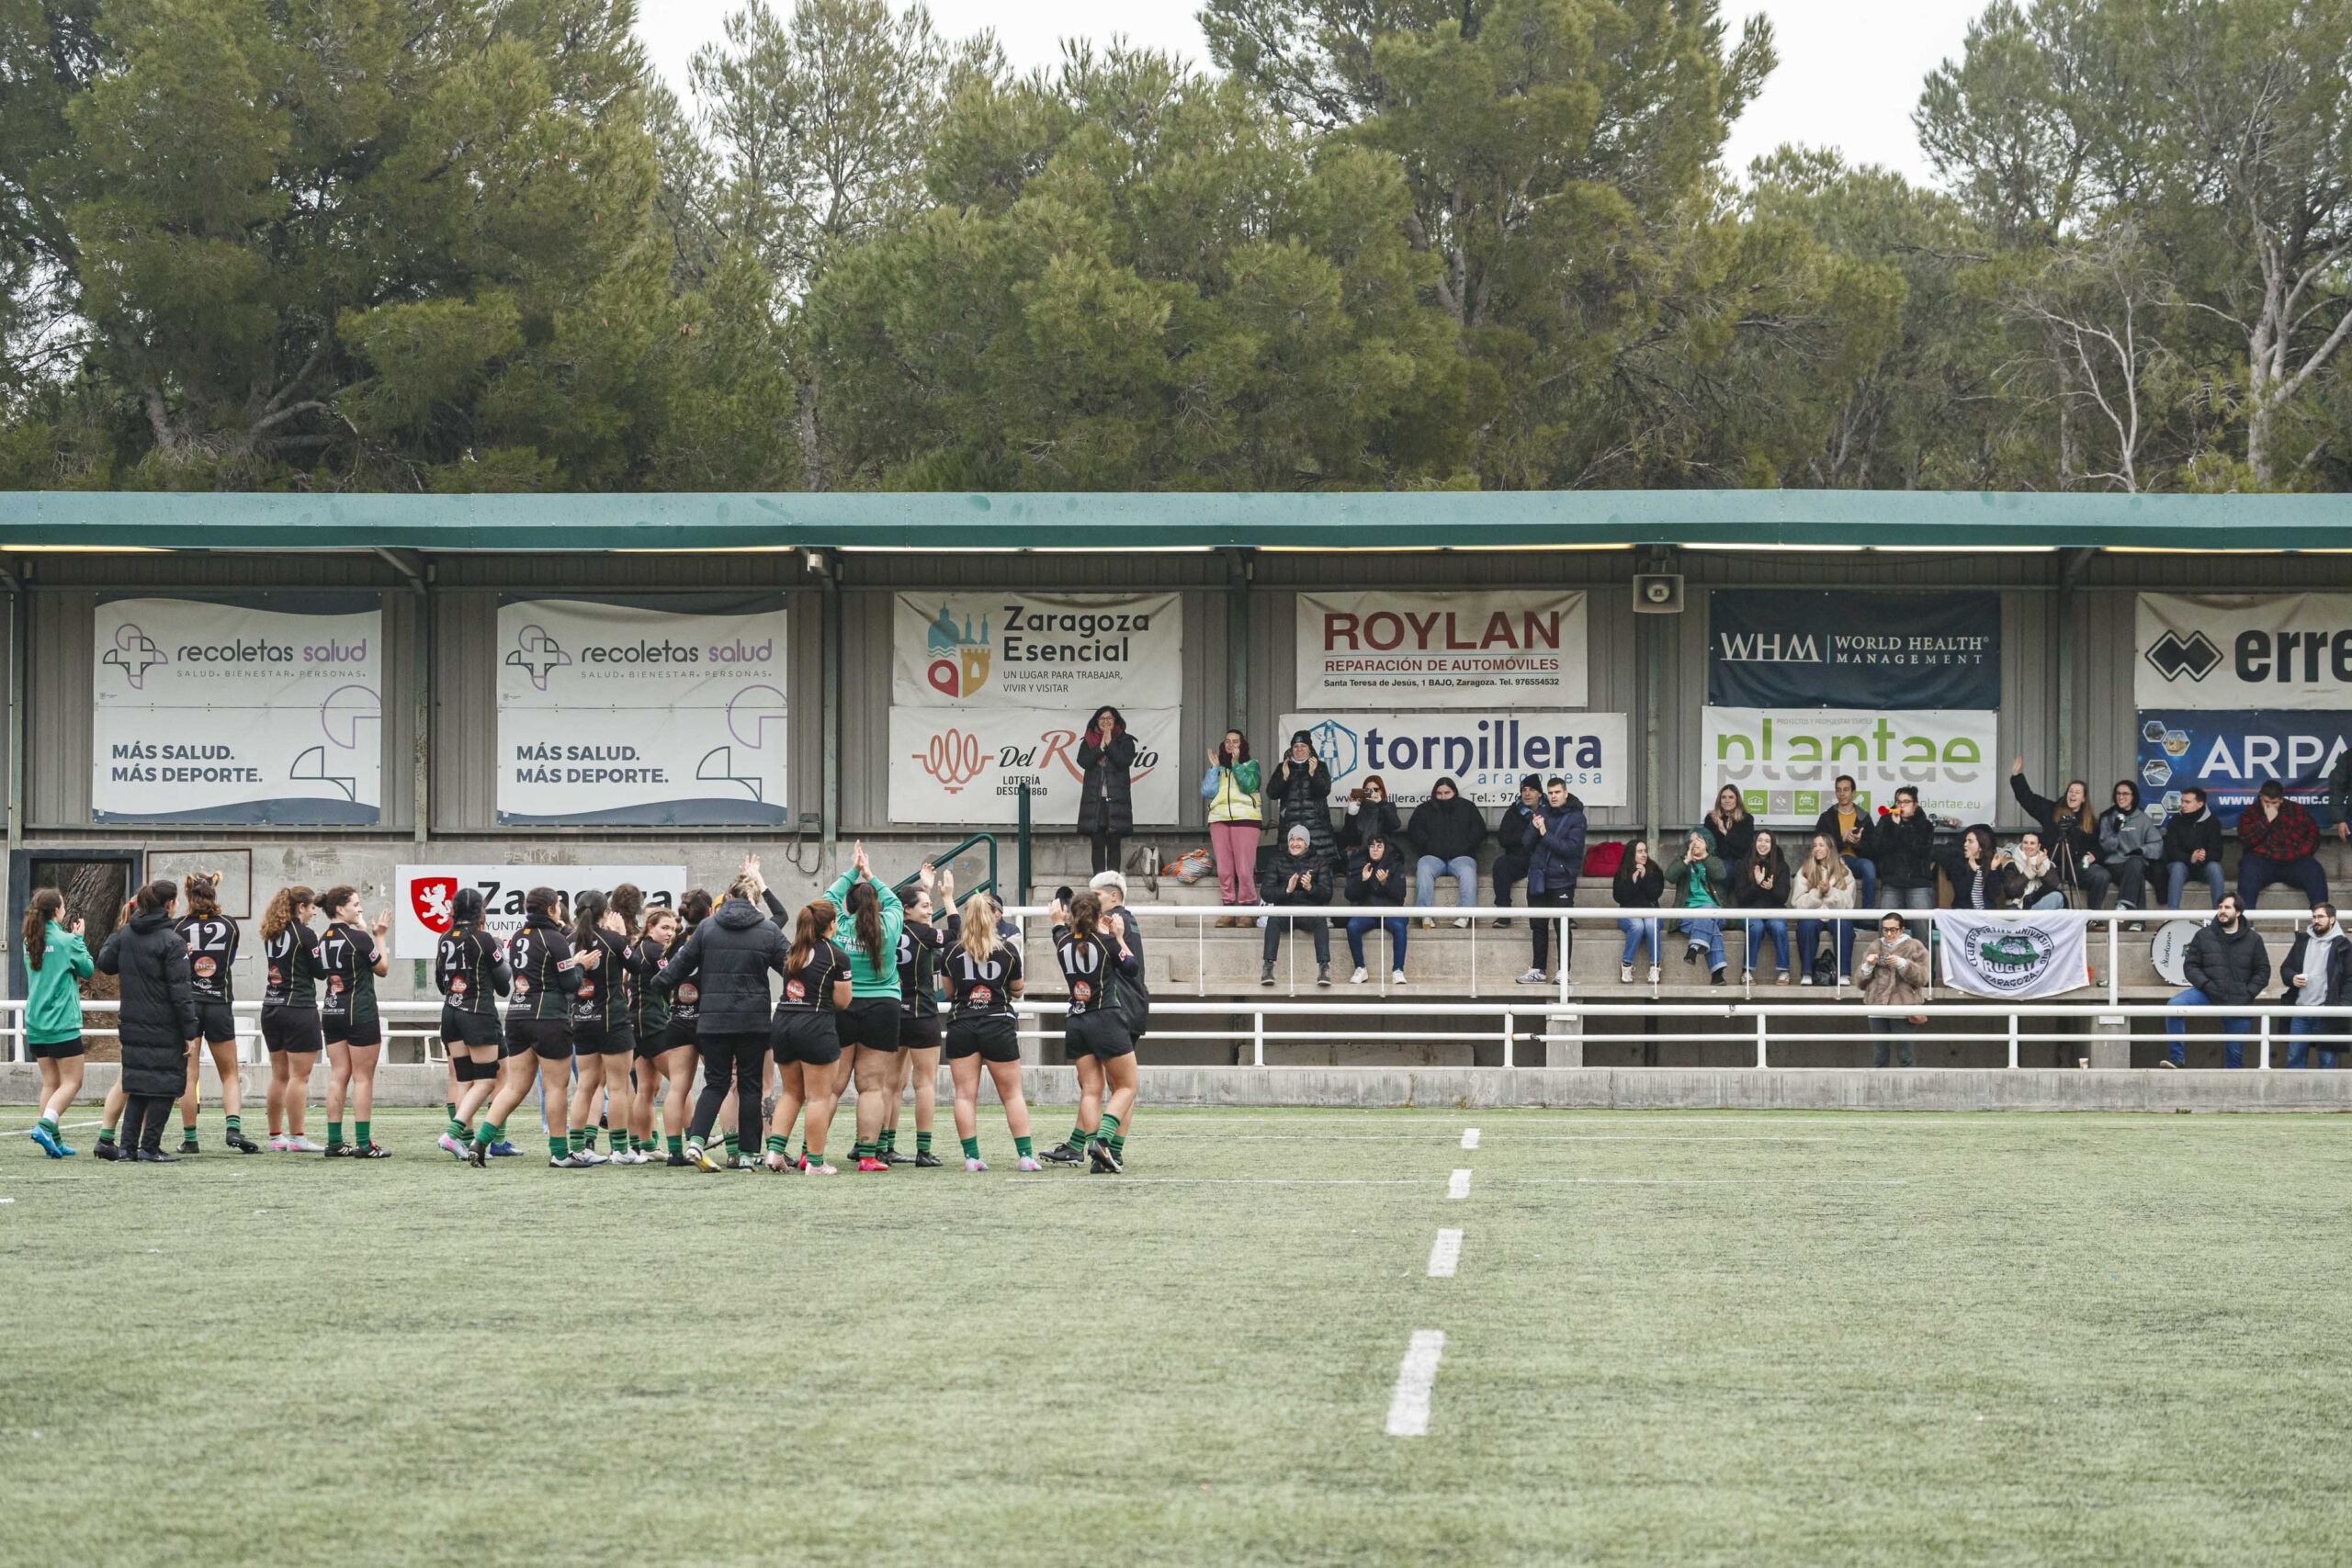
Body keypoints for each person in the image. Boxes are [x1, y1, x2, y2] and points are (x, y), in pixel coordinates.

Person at [648, 869, 780, 1171]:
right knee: (750, 1086)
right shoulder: (768, 931)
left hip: (713, 1021)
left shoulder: (707, 928)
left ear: (728, 897)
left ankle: (695, 1141)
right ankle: (747, 1154)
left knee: (715, 1084)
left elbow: (678, 966)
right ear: (755, 901)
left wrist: (656, 986)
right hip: (753, 1021)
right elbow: (790, 967)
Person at [469, 886, 592, 1168]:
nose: (560, 909)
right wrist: (580, 965)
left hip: (517, 1015)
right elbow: (570, 983)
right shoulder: (554, 939)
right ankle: (560, 1154)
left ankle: (480, 1141)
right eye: (558, 905)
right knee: (555, 1088)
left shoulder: (519, 936)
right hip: (548, 1018)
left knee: (514, 1087)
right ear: (550, 909)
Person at [96, 880, 201, 1162]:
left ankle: (127, 1148)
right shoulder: (172, 941)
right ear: (169, 904)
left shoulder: (127, 934)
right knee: (166, 1085)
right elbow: (180, 992)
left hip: (131, 1022)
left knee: (137, 1084)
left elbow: (105, 962)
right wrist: (190, 1031)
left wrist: (120, 928)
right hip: (164, 1025)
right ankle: (150, 1146)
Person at [824, 842, 907, 1172]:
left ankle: (809, 1151)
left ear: (848, 905)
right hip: (884, 1006)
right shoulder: (888, 925)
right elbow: (896, 901)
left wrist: (853, 870)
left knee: (832, 1085)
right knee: (871, 1086)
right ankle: (869, 1156)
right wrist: (871, 874)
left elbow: (828, 898)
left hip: (844, 1005)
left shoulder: (838, 927)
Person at [942, 889, 1036, 1172]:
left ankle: (971, 1158)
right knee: (1012, 1095)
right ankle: (1025, 1156)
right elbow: (1018, 990)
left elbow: (949, 991)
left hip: (962, 1023)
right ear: (993, 918)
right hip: (998, 1023)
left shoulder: (951, 951)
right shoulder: (1009, 950)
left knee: (964, 1095)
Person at [1049, 890, 1139, 1174]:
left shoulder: (1062, 940)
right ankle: (1103, 1141)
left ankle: (1094, 1152)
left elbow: (1059, 930)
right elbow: (1131, 967)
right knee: (1127, 1086)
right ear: (1099, 916)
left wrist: (1057, 921)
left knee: (1090, 1089)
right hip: (1106, 1019)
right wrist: (1120, 936)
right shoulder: (1108, 942)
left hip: (1076, 1022)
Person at [763, 899, 851, 1175]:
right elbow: (843, 1001)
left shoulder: (792, 951)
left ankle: (775, 1153)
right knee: (818, 1098)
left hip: (783, 1023)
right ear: (832, 924)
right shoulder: (837, 955)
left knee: (791, 1092)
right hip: (815, 1025)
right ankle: (815, 1162)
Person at [173, 872, 256, 1154]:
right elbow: (229, 960)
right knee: (230, 1073)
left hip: (189, 1005)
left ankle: (190, 1139)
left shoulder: (177, 927)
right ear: (214, 894)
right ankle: (233, 1129)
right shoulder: (230, 925)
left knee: (189, 1074)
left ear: (188, 895)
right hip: (219, 1002)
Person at [314, 886, 391, 1159]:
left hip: (332, 1011)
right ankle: (363, 1143)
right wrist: (379, 936)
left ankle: (334, 1142)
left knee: (338, 1075)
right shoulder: (358, 938)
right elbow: (382, 968)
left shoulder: (322, 939)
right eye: (356, 904)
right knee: (362, 1079)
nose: (359, 909)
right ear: (339, 908)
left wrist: (360, 927)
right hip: (360, 1012)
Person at [433, 887, 509, 1159]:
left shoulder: (444, 938)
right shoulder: (484, 939)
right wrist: (500, 949)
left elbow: (441, 984)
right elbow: (504, 983)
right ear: (480, 911)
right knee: (487, 1080)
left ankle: (461, 1140)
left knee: (464, 1079)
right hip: (477, 1014)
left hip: (450, 1012)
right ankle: (452, 1135)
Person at [564, 888, 635, 1164]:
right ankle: (620, 1150)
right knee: (617, 1087)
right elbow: (638, 966)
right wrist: (624, 937)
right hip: (613, 1021)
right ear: (605, 913)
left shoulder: (568, 941)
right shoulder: (613, 940)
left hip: (581, 1021)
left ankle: (578, 1147)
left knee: (585, 1086)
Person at [21, 888, 92, 1157]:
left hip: (36, 1022)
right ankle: (45, 1126)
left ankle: (55, 1141)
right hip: (61, 1021)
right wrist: (79, 940)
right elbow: (87, 969)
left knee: (50, 1083)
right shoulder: (67, 941)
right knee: (73, 1081)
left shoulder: (29, 942)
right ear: (56, 911)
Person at [2164, 893, 2270, 1068]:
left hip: (2239, 999)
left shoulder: (2254, 939)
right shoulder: (2203, 935)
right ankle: (2177, 1060)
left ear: (2238, 912)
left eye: (2227, 907)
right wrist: (2206, 985)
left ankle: (2233, 1092)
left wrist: (2248, 993)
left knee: (2234, 1056)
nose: (2222, 911)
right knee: (2174, 1006)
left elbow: (2263, 971)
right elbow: (2190, 966)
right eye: (2220, 907)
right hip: (2207, 992)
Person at [886, 863, 947, 1168]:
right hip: (921, 1014)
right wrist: (946, 898)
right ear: (907, 910)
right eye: (924, 905)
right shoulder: (924, 933)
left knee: (890, 1084)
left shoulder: (887, 929)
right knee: (924, 1084)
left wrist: (922, 885)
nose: (929, 910)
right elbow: (956, 932)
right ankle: (923, 1150)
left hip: (892, 1014)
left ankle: (884, 1145)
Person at [257, 886, 326, 1153]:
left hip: (271, 1007)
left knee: (279, 1075)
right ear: (301, 907)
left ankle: (275, 1136)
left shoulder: (270, 933)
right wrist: (317, 943)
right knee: (300, 1077)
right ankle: (298, 1138)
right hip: (298, 1007)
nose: (311, 914)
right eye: (311, 909)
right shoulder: (305, 934)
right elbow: (320, 972)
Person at [626, 906, 689, 1165]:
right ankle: (694, 1136)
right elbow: (671, 978)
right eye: (664, 927)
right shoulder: (653, 951)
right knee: (679, 1082)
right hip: (652, 1024)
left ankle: (647, 1145)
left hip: (636, 1023)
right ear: (650, 927)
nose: (669, 933)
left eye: (673, 929)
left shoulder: (639, 949)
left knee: (647, 1088)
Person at [2008, 761, 2110, 907]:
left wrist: (2095, 855)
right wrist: (2016, 776)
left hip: (2077, 866)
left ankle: (2093, 917)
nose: (2073, 794)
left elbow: (2098, 845)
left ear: (2083, 798)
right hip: (2052, 865)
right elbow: (2028, 799)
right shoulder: (2051, 810)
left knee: (2101, 874)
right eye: (2070, 791)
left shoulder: (2090, 821)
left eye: (2077, 792)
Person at [1518, 778, 1586, 986]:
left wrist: (1544, 833)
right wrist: (1534, 826)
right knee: (1538, 926)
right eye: (1551, 793)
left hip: (1562, 880)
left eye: (1557, 792)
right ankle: (1538, 969)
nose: (1554, 796)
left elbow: (1570, 849)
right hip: (1538, 878)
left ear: (1566, 793)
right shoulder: (1542, 813)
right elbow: (1525, 843)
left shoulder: (1577, 818)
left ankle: (1564, 971)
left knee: (1561, 925)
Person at [1407, 776, 1487, 929]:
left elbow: (1479, 830)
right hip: (1433, 858)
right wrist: (1426, 845)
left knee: (1469, 871)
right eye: (1439, 793)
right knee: (1423, 867)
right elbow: (1414, 830)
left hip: (1461, 857)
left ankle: (1465, 915)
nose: (1443, 797)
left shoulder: (1467, 807)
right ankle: (1425, 916)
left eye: (1447, 793)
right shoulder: (1424, 809)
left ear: (1454, 792)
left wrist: (1467, 845)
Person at [1202, 728, 1263, 925]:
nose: (1231, 745)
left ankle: (1247, 909)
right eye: (1227, 741)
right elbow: (1207, 791)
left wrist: (1236, 764)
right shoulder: (1218, 767)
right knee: (1224, 870)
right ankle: (1228, 907)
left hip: (1246, 819)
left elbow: (1249, 786)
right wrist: (1213, 769)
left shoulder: (1252, 764)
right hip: (1219, 819)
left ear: (1242, 744)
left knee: (1245, 869)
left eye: (1235, 741)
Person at [1260, 824, 1333, 987]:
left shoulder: (1320, 861)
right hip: (1285, 911)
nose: (1294, 843)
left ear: (1306, 843)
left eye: (1299, 840)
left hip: (1309, 911)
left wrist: (1310, 888)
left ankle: (1324, 968)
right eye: (1292, 839)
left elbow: (1327, 894)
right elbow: (1265, 892)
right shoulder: (1277, 860)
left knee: (1320, 921)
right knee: (1273, 920)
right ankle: (1268, 967)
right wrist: (1286, 890)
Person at [2237, 780, 2328, 909]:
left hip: (2293, 861)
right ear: (2260, 797)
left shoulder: (2296, 810)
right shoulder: (2251, 812)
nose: (2269, 806)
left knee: (2314, 870)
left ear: (2281, 800)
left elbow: (2313, 835)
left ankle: (2322, 919)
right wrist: (2266, 821)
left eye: (2274, 803)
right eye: (2266, 802)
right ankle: (2246, 923)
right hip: (2263, 862)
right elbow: (2246, 840)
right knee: (2248, 869)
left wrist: (2300, 853)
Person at [1854, 912, 1929, 1067]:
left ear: (1902, 930)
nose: (1888, 934)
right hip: (1876, 1007)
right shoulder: (1875, 945)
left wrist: (1903, 964)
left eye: (1893, 930)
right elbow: (1860, 982)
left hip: (1903, 1007)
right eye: (1885, 930)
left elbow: (1923, 978)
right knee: (1879, 1056)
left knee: (1906, 1055)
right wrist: (1868, 966)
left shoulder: (1915, 946)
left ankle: (1909, 1088)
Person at [2279, 902, 2348, 1069]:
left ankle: (2327, 1097)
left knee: (2327, 1061)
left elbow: (2349, 980)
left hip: (2327, 1012)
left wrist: (2343, 1006)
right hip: (2300, 1011)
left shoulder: (2343, 945)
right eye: (2314, 917)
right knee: (2294, 1058)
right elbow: (2285, 968)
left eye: (2320, 917)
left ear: (2332, 919)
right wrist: (2292, 978)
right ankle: (2293, 1095)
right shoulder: (2302, 941)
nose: (2316, 920)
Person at [1868, 786, 1940, 938]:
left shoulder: (1925, 825)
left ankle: (1924, 962)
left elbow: (1922, 849)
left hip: (1918, 884)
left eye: (1906, 802)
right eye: (1898, 802)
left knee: (1922, 932)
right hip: (1892, 883)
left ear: (1915, 805)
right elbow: (1876, 848)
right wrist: (1894, 828)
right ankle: (1887, 962)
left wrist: (1901, 830)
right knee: (1887, 932)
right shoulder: (1886, 822)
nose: (1901, 805)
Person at [1790, 831, 1858, 987]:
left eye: (1821, 845)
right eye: (1814, 846)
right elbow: (1797, 903)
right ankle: (1806, 973)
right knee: (1807, 925)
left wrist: (1829, 892)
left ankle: (1844, 974)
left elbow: (1848, 904)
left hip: (1836, 914)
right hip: (1813, 914)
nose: (1817, 849)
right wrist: (1818, 893)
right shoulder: (1804, 870)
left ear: (1830, 848)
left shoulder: (1845, 872)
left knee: (1844, 925)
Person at [1077, 705, 1136, 875]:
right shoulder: (1088, 741)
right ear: (1096, 722)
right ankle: (1098, 883)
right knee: (1097, 843)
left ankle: (1112, 883)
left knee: (1114, 844)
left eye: (1109, 719)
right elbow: (1084, 762)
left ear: (1116, 721)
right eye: (1102, 719)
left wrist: (1110, 745)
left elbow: (1123, 762)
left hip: (1116, 800)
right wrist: (1100, 748)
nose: (1105, 722)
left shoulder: (1125, 741)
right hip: (1095, 801)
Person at [1266, 730, 1337, 874]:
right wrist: (1284, 778)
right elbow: (1271, 793)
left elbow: (1324, 791)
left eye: (1303, 746)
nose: (1299, 749)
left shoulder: (1320, 766)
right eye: (1296, 746)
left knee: (1320, 870)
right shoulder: (1283, 767)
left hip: (1317, 828)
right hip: (1290, 826)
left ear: (1309, 748)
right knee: (1290, 871)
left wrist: (1313, 774)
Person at [1345, 833, 1409, 985]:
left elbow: (1401, 895)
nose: (1375, 850)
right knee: (1352, 926)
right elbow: (1350, 895)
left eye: (1379, 846)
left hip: (1391, 911)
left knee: (1400, 926)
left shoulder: (1395, 863)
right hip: (1367, 911)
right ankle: (1360, 968)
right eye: (1372, 846)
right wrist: (1363, 881)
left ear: (1385, 848)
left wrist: (1385, 883)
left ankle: (1398, 970)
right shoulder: (1360, 863)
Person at [1733, 829, 1793, 984]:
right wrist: (1756, 884)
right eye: (1760, 840)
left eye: (1767, 841)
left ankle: (1784, 970)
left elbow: (1783, 897)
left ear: (1772, 845)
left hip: (1774, 911)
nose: (1763, 844)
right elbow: (1741, 897)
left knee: (1779, 926)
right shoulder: (1742, 864)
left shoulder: (1781, 866)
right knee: (1756, 926)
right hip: (1749, 912)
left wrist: (1771, 888)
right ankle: (1746, 971)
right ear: (1754, 843)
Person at [2096, 780, 2161, 923]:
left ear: (2133, 796)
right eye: (2118, 793)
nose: (2121, 797)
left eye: (2125, 793)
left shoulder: (2143, 818)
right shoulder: (2107, 817)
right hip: (2115, 864)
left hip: (2136, 862)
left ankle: (2123, 905)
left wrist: (2142, 850)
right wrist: (2114, 832)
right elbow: (2105, 847)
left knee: (2135, 863)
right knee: (2137, 876)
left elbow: (2157, 845)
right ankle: (2138, 921)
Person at [1811, 774, 1878, 912]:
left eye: (1846, 790)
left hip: (1855, 860)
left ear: (1853, 792)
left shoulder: (1864, 817)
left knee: (1869, 867)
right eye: (1839, 790)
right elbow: (1818, 844)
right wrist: (1842, 840)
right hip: (1832, 860)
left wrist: (1858, 843)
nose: (1842, 794)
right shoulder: (1827, 816)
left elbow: (1873, 848)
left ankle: (1867, 916)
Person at [1674, 830, 1730, 984]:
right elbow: (1669, 876)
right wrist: (1686, 861)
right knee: (1713, 930)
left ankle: (1693, 948)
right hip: (1688, 915)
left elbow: (1720, 875)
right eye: (1691, 840)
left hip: (1714, 911)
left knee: (1707, 910)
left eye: (1699, 840)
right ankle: (1717, 975)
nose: (1695, 843)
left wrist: (1705, 857)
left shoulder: (1714, 861)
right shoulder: (1682, 861)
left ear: (1707, 843)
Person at [2161, 786, 2226, 909]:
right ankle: (2172, 916)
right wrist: (2189, 857)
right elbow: (2170, 850)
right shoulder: (2175, 821)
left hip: (2204, 866)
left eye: (2187, 802)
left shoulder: (2212, 822)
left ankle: (2219, 913)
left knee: (2215, 868)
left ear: (2200, 804)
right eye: (2182, 801)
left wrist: (2204, 855)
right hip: (2182, 865)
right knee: (2177, 868)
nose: (2183, 805)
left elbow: (2218, 852)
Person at [1490, 775, 1544, 926]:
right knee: (1501, 864)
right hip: (1520, 858)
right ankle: (1504, 913)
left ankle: (1567, 915)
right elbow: (1504, 839)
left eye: (1531, 790)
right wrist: (1528, 836)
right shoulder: (1513, 812)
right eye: (1524, 790)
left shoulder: (1550, 811)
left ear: (1540, 793)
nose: (1527, 793)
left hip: (1544, 858)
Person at [1612, 840, 1665, 985]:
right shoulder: (1622, 871)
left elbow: (1655, 894)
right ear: (1632, 854)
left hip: (1651, 911)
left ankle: (1655, 966)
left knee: (1650, 925)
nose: (1644, 854)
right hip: (1628, 913)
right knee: (1637, 926)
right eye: (1640, 851)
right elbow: (1618, 897)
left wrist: (1644, 878)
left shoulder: (1654, 870)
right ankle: (1627, 965)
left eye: (1645, 851)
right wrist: (1632, 881)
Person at [1936, 825, 2009, 911]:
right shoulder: (1958, 863)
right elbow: (1961, 893)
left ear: (1981, 846)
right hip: (1964, 914)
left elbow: (1993, 894)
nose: (1965, 844)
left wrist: (1993, 870)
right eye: (1965, 841)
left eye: (1970, 841)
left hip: (1986, 915)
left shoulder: (1992, 863)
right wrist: (1973, 872)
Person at [1337, 773, 1404, 867]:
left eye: (1374, 790)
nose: (1371, 793)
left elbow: (1395, 825)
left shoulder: (1387, 806)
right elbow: (1347, 837)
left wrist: (1381, 804)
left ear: (1381, 791)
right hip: (1360, 851)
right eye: (1368, 790)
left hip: (1381, 850)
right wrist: (1352, 813)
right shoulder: (1359, 807)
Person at [2004, 831, 2071, 911]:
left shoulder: (2044, 861)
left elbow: (2054, 884)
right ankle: (2033, 919)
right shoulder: (2012, 863)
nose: (2028, 846)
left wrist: (2039, 867)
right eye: (2025, 843)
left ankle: (2033, 917)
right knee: (2011, 912)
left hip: (2038, 903)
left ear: (2038, 846)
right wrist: (2027, 873)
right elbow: (2011, 891)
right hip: (2018, 905)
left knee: (2057, 897)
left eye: (2032, 843)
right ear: (2021, 844)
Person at [1700, 785, 1757, 868]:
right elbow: (1708, 843)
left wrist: (1724, 832)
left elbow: (1746, 844)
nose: (1727, 801)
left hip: (1739, 858)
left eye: (1731, 797)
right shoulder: (1711, 818)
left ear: (1737, 800)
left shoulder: (1746, 818)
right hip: (1717, 858)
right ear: (1720, 800)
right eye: (1723, 797)